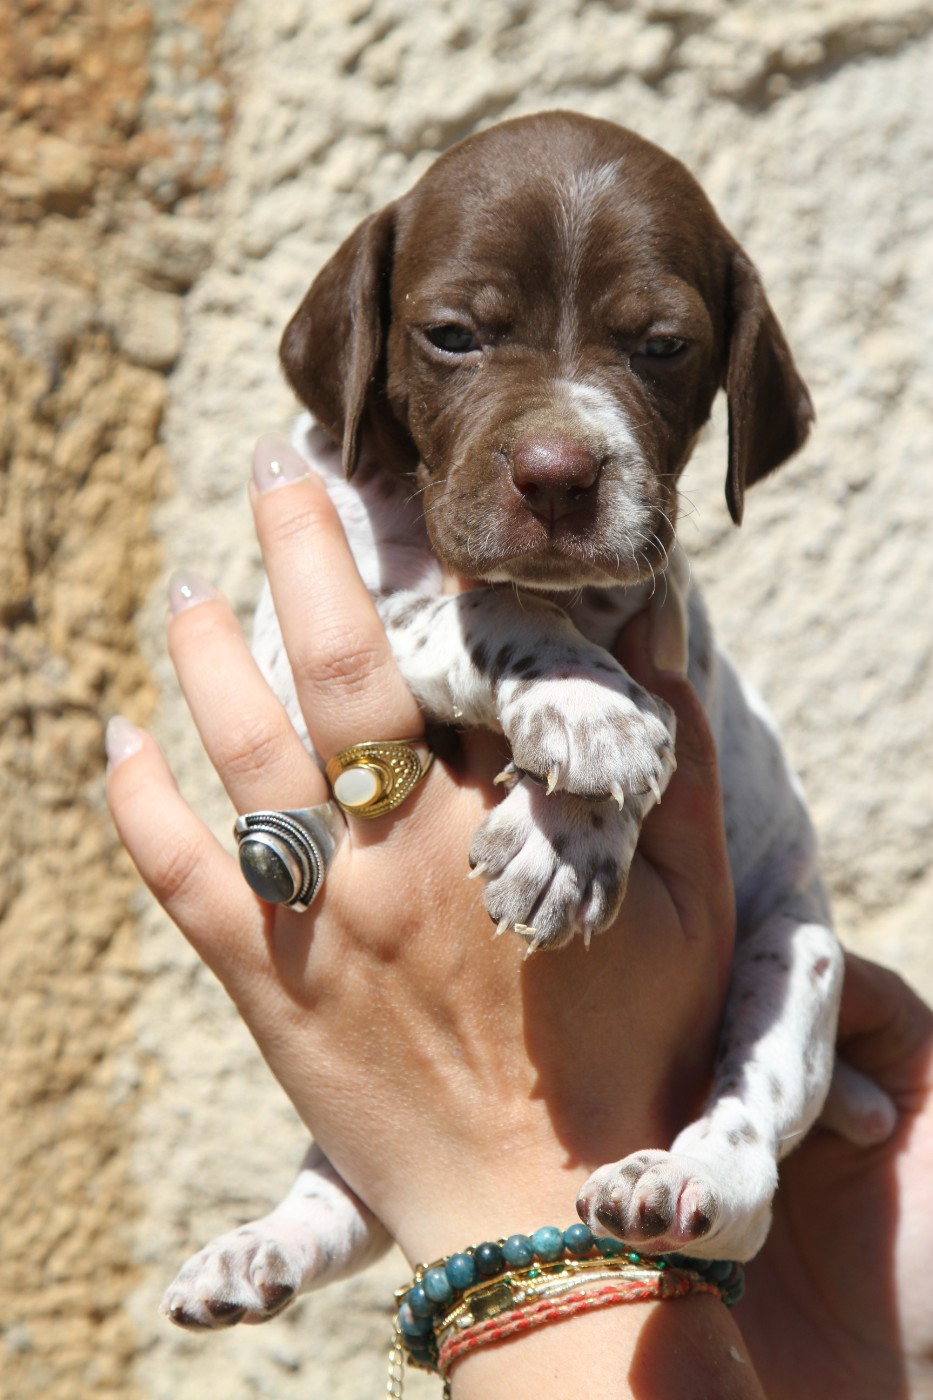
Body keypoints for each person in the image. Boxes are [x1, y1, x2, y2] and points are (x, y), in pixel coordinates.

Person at [107, 436, 933, 1398]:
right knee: (400, 1005)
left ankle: (731, 1166)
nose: (558, 439)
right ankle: (318, 1210)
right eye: (457, 337)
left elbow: (630, 724)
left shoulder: (623, 567)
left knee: (791, 942)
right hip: (829, 1308)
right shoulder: (339, 464)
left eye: (653, 352)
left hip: (742, 957)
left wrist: (506, 1192)